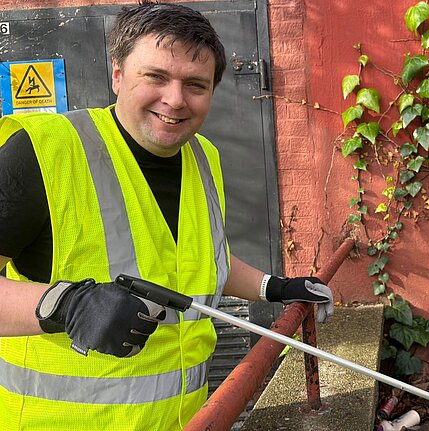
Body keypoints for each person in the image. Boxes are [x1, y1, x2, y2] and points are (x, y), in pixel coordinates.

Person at [0, 2, 333, 430]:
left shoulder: (203, 157)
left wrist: (276, 287)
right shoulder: (43, 153)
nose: (175, 100)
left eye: (195, 84)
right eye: (155, 76)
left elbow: (199, 264)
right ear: (118, 74)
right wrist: (63, 304)